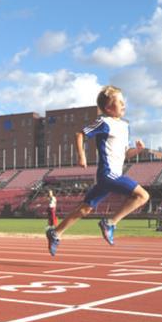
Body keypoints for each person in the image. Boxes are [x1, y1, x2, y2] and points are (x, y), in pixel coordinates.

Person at [45, 85, 149, 256]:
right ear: (108, 108)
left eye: (124, 101)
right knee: (143, 196)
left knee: (85, 209)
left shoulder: (124, 126)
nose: (124, 105)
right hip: (108, 174)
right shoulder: (103, 122)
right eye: (120, 102)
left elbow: (124, 154)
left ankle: (56, 233)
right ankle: (110, 223)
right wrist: (82, 156)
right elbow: (79, 134)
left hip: (113, 175)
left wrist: (137, 151)